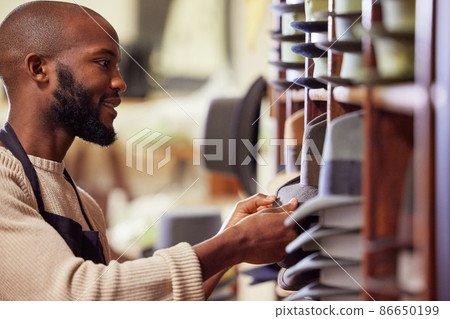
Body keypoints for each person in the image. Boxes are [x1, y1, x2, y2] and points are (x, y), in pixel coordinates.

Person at [0, 1, 298, 301]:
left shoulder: (84, 206)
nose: (120, 82)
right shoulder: (4, 181)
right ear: (39, 69)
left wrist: (229, 240)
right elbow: (80, 295)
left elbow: (138, 304)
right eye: (103, 63)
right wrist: (236, 243)